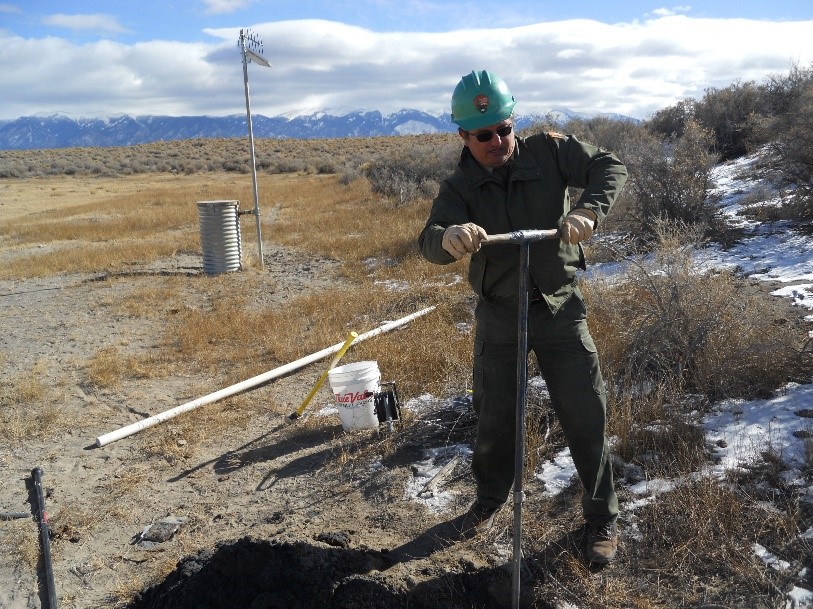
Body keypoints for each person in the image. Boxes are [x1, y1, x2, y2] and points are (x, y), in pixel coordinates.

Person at [418, 70, 628, 564]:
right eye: (484, 135)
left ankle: (602, 518)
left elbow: (610, 167)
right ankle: (489, 500)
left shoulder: (551, 152)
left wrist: (588, 212)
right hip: (500, 316)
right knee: (493, 416)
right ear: (463, 137)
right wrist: (448, 239)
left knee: (585, 413)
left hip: (560, 306)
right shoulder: (459, 185)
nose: (498, 141)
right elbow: (430, 237)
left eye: (505, 128)